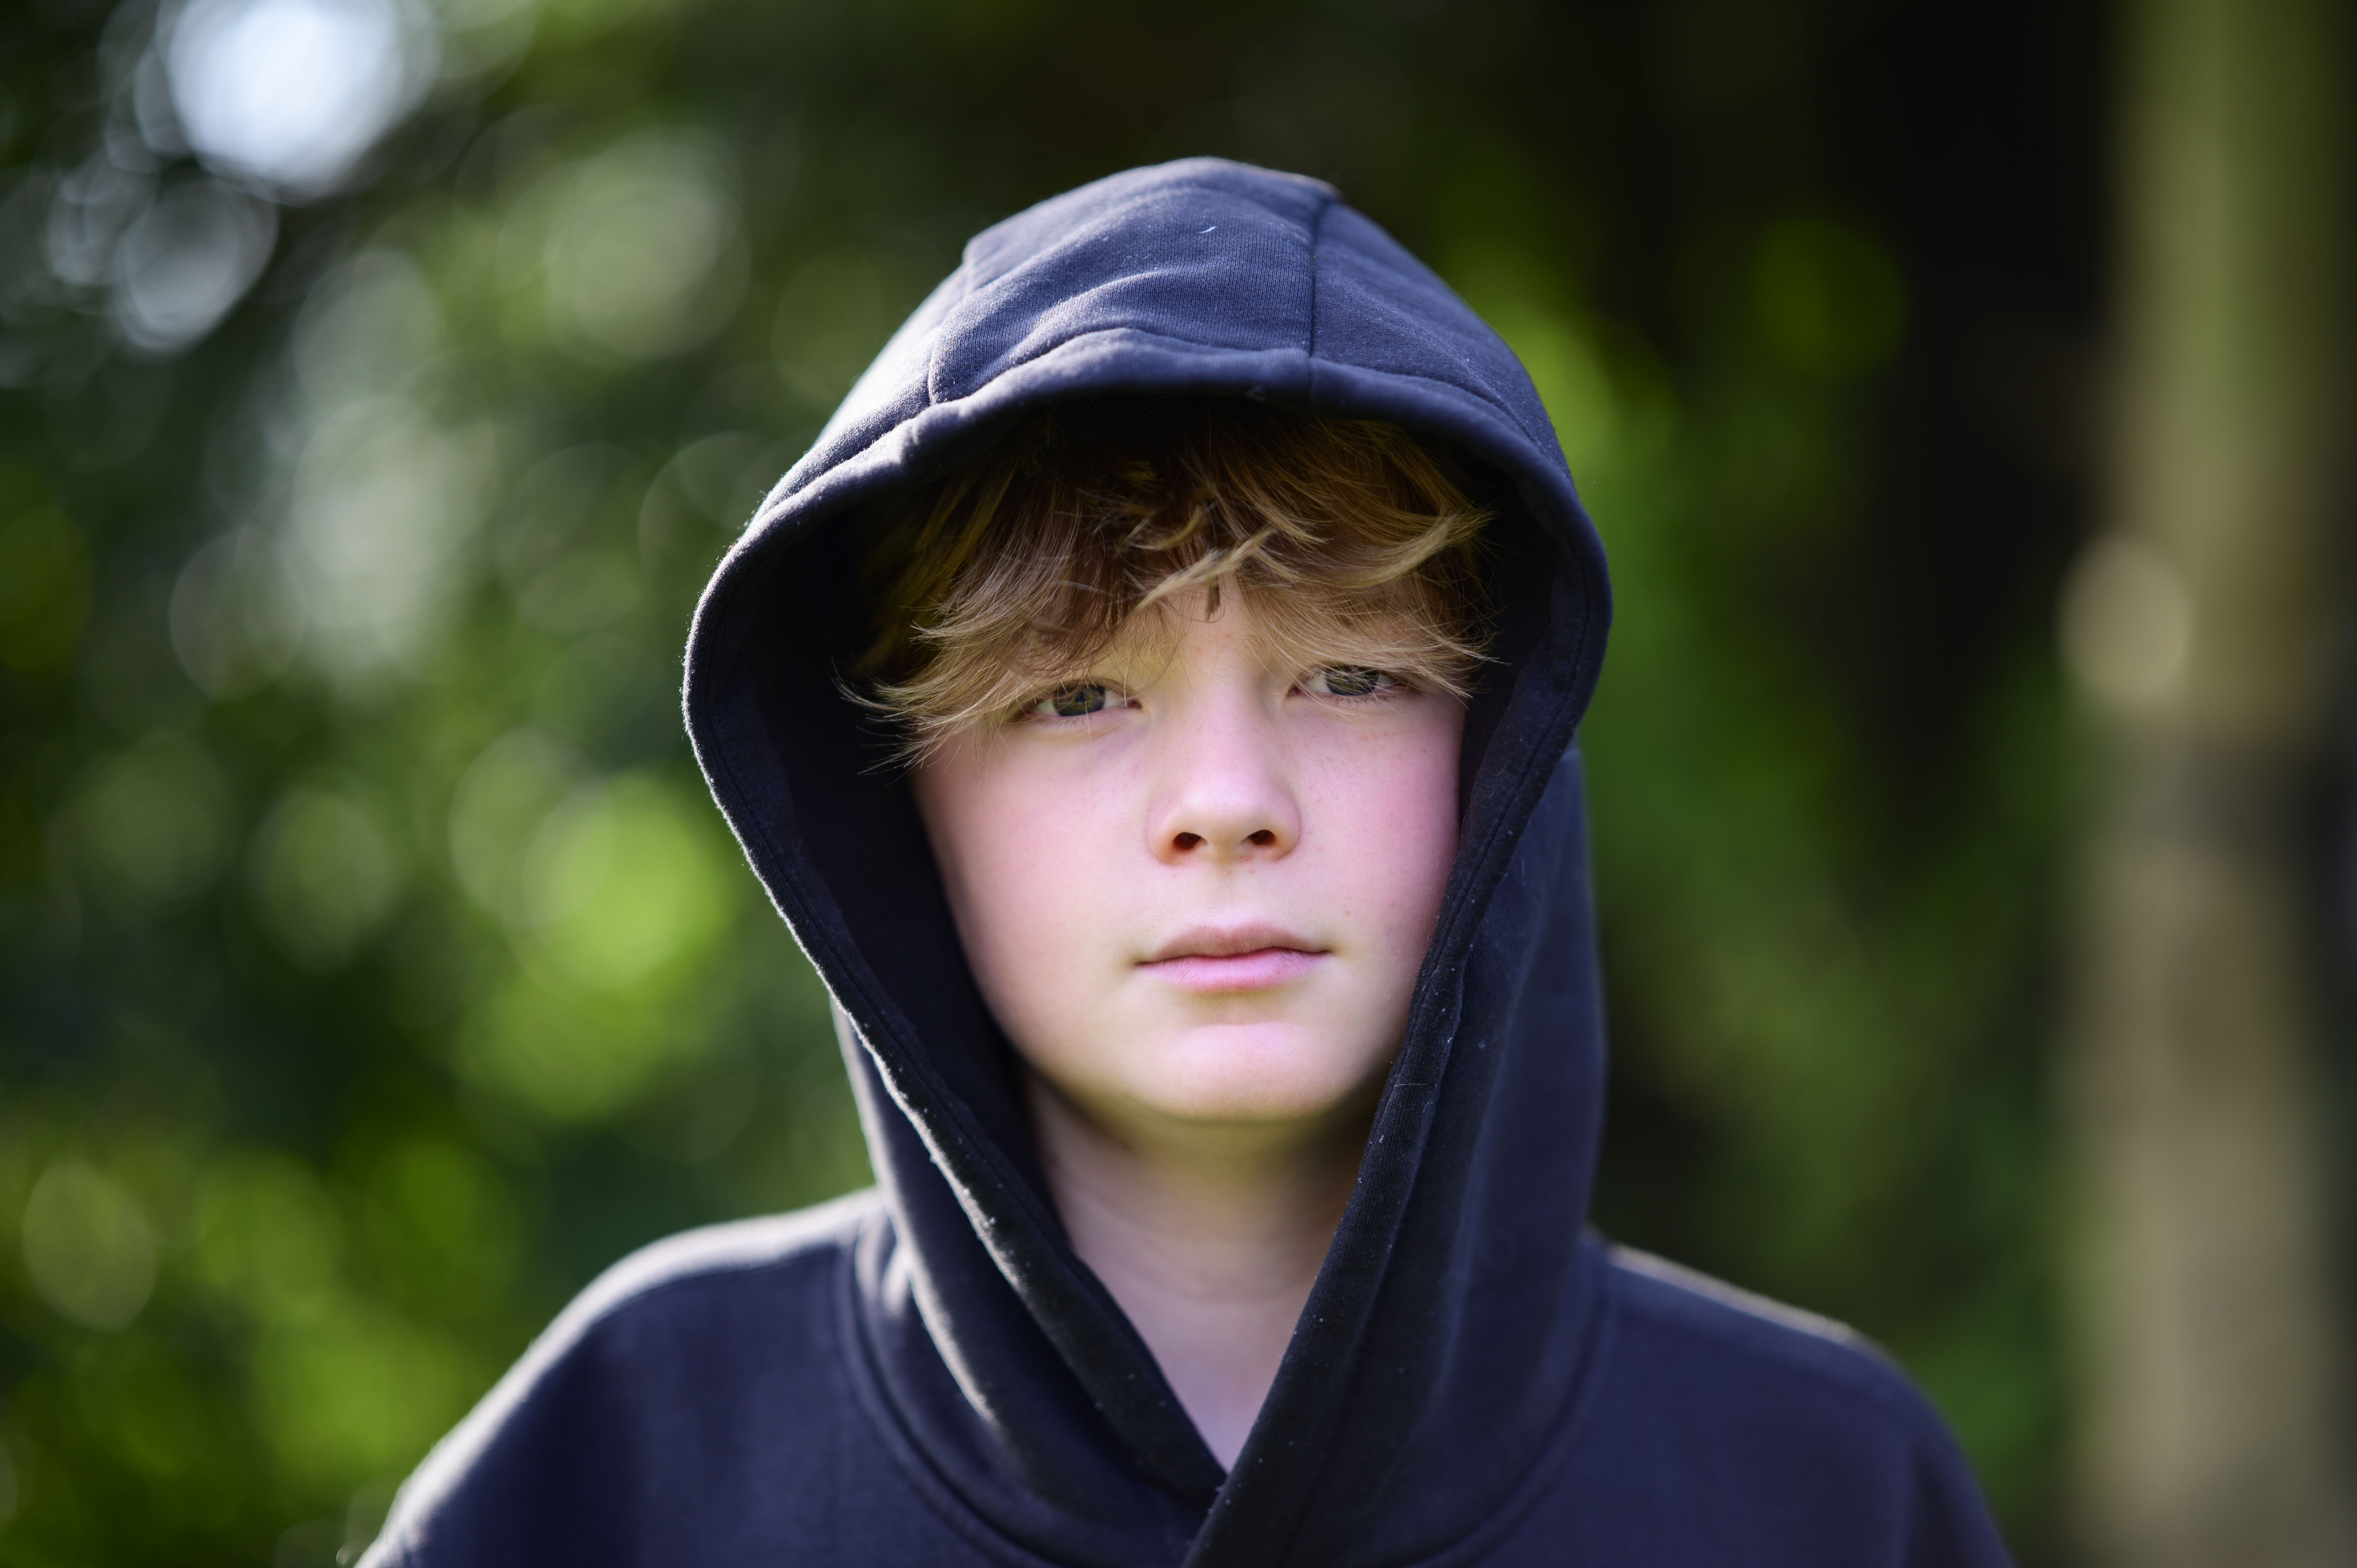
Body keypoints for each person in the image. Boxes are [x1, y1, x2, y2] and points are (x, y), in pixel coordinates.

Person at [361, 159, 2012, 1566]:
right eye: (1076, 695)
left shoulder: (1827, 1490)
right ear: (903, 794)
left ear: (1503, 745)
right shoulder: (623, 1463)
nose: (1225, 802)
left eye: (1350, 676)